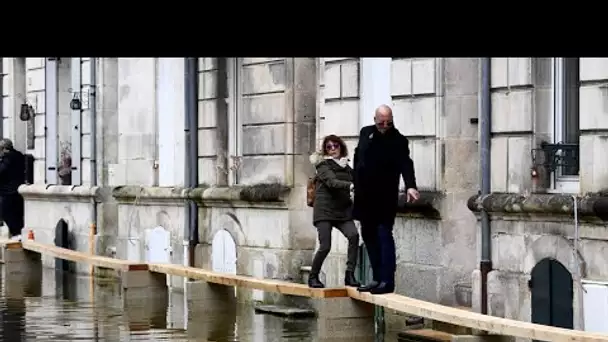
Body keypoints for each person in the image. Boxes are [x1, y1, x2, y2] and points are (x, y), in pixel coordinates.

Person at [353, 104, 419, 294]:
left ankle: (387, 280)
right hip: (364, 195)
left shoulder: (398, 140)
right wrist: (354, 181)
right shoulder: (366, 133)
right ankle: (376, 277)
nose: (384, 125)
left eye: (388, 122)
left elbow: (406, 163)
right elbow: (359, 158)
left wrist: (410, 186)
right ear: (375, 120)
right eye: (381, 122)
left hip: (384, 197)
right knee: (368, 235)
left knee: (383, 235)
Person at [308, 134, 360, 288]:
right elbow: (331, 182)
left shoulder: (346, 166)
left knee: (354, 236)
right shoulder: (323, 166)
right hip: (324, 211)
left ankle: (349, 275)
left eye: (335, 146)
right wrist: (349, 186)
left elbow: (358, 180)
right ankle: (313, 277)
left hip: (342, 210)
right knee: (325, 246)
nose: (332, 150)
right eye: (329, 147)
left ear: (341, 147)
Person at [0, 139, 26, 241]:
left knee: (7, 213)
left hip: (9, 191)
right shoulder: (18, 156)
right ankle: (17, 233)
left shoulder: (8, 158)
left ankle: (16, 234)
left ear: (4, 149)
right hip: (16, 190)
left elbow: (2, 172)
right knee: (15, 214)